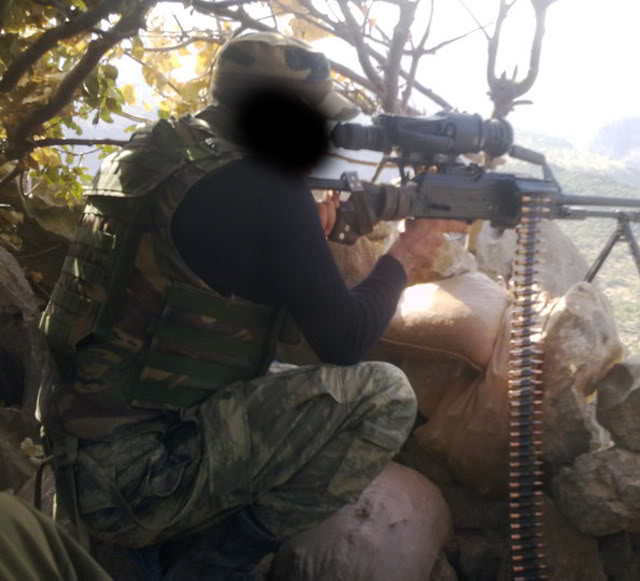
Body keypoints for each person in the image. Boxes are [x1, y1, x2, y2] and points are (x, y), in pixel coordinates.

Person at [36, 31, 463, 577]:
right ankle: (213, 565)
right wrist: (407, 252)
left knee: (276, 372)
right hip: (136, 481)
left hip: (72, 448)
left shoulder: (153, 153)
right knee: (383, 395)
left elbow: (201, 264)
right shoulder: (270, 191)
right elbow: (347, 340)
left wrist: (311, 224)